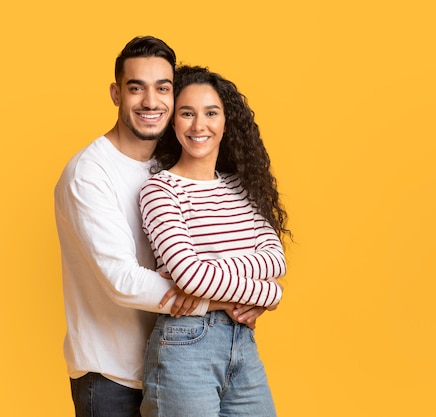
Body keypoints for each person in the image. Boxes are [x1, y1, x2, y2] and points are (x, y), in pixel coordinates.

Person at [54, 37, 282, 417]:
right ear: (116, 93)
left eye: (163, 88)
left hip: (179, 358)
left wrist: (245, 291)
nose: (150, 101)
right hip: (112, 373)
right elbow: (122, 281)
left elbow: (231, 252)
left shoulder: (168, 166)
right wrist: (231, 300)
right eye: (135, 88)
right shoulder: (89, 173)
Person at [139, 65, 291, 417]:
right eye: (186, 113)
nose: (198, 125)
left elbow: (275, 260)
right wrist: (269, 294)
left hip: (243, 342)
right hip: (185, 344)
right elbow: (190, 276)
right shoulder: (161, 191)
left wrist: (213, 277)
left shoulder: (240, 186)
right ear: (172, 122)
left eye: (211, 113)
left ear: (226, 122)